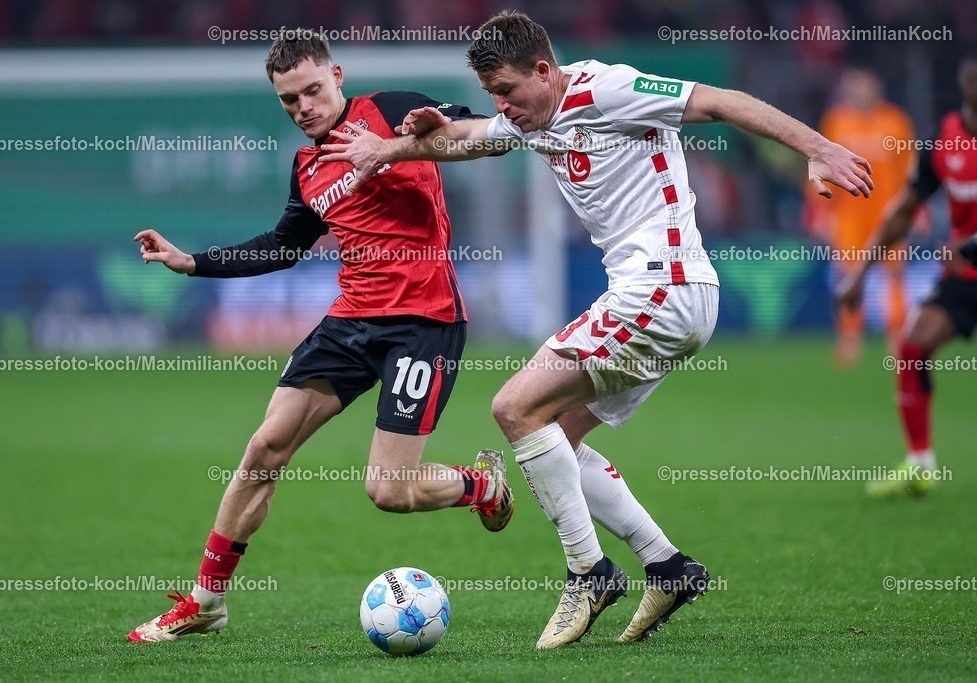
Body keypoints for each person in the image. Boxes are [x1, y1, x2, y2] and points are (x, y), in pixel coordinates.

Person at [321, 10, 872, 649]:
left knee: (514, 408)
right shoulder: (533, 114)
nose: (504, 106)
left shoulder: (606, 90)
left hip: (663, 284)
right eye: (494, 94)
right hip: (660, 296)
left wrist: (818, 147)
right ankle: (665, 565)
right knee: (553, 437)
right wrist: (389, 147)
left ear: (546, 70)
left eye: (509, 91)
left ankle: (589, 570)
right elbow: (469, 139)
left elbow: (720, 102)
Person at [126, 31, 514, 643]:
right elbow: (282, 246)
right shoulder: (309, 166)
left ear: (337, 75)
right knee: (263, 450)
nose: (304, 106)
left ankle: (479, 484)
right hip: (350, 321)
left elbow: (482, 134)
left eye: (312, 90)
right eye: (289, 100)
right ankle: (206, 602)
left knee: (389, 491)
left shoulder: (388, 111)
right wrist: (191, 262)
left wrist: (404, 140)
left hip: (424, 322)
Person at [839, 55, 977, 498]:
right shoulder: (947, 137)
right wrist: (861, 272)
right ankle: (920, 465)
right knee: (913, 346)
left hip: (965, 257)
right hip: (965, 275)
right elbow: (904, 210)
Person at [807, 68, 915, 367]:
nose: (857, 92)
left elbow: (910, 169)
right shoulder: (836, 121)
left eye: (863, 86)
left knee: (894, 275)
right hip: (850, 213)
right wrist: (821, 211)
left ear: (876, 88)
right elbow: (820, 168)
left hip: (889, 212)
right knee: (849, 276)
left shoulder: (895, 120)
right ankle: (850, 340)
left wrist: (917, 210)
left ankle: (897, 340)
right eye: (852, 87)